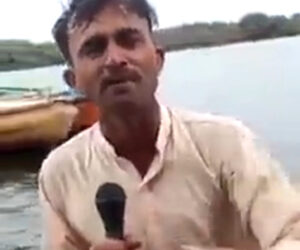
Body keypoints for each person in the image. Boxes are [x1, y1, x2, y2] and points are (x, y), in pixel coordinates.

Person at [38, 0, 300, 249]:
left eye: (129, 40)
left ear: (158, 60)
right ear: (73, 81)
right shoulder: (59, 174)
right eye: (94, 48)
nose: (115, 59)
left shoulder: (227, 143)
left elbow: (293, 235)